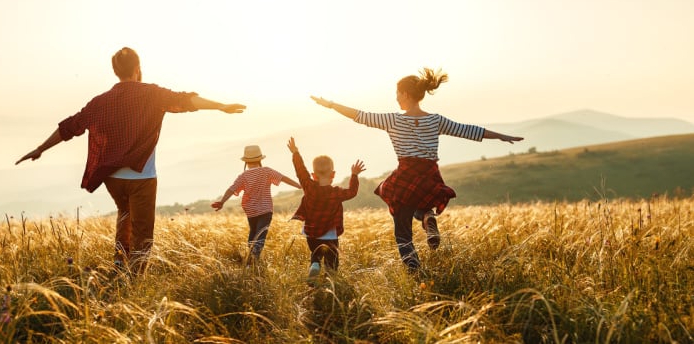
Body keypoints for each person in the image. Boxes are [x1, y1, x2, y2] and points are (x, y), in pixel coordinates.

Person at [16, 47, 245, 275]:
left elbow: (70, 127)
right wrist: (221, 106)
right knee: (142, 231)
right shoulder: (152, 94)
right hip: (142, 178)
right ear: (137, 69)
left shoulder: (100, 102)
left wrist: (40, 149)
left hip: (112, 178)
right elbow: (186, 100)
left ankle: (119, 265)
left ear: (116, 71)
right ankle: (134, 279)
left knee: (124, 214)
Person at [310, 67, 523, 274]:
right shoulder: (435, 120)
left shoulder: (393, 120)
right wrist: (502, 136)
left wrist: (330, 105)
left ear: (405, 93)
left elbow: (359, 115)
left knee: (401, 229)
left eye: (397, 93)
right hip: (429, 175)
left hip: (405, 175)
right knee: (421, 203)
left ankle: (415, 271)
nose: (395, 98)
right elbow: (469, 131)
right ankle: (427, 216)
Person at [286, 137, 365, 285]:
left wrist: (295, 153)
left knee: (315, 253)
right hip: (330, 234)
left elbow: (300, 171)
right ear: (333, 174)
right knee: (332, 259)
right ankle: (330, 280)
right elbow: (352, 192)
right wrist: (354, 175)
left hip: (311, 232)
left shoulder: (309, 187)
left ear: (313, 175)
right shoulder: (336, 193)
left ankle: (315, 264)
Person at [211, 145, 301, 263]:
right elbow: (283, 178)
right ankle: (254, 259)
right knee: (261, 234)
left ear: (246, 161)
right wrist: (300, 185)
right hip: (265, 209)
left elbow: (232, 189)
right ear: (260, 159)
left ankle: (250, 259)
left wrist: (222, 202)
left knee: (253, 232)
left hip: (251, 210)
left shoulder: (243, 176)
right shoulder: (267, 171)